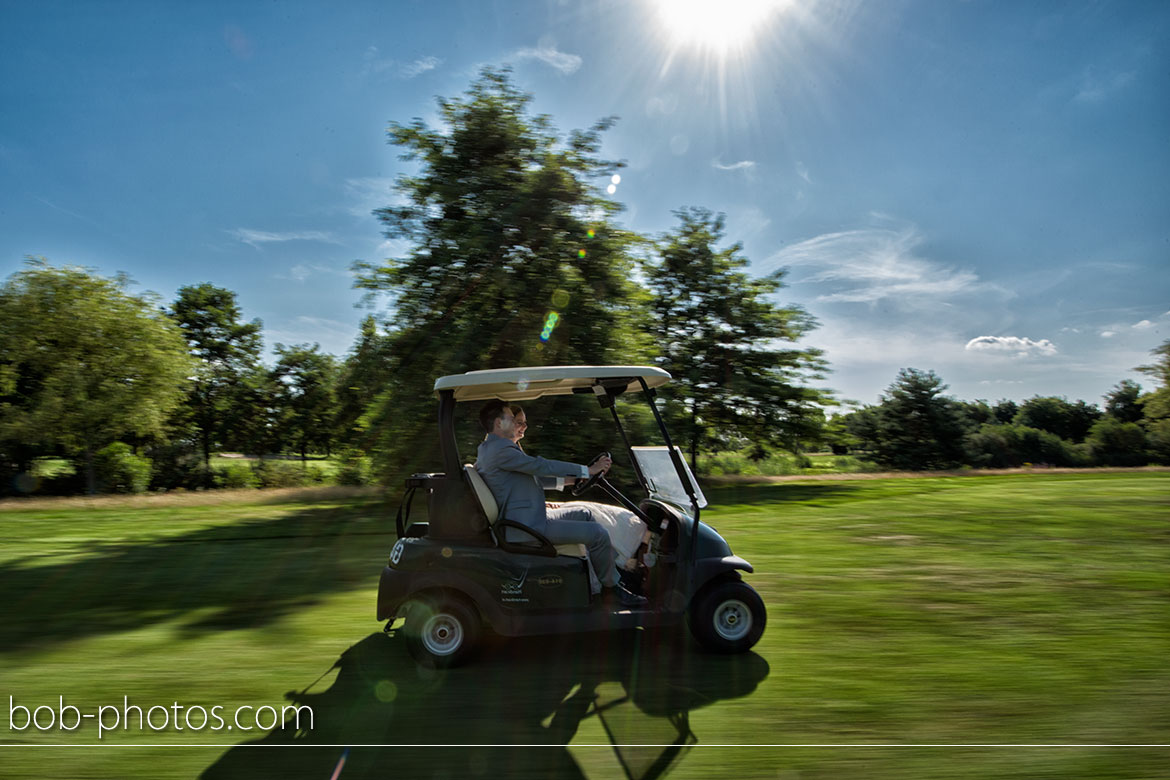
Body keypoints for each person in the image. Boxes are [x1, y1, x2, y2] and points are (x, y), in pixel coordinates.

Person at [475, 399, 647, 608]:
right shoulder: (501, 449)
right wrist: (587, 470)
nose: (517, 424)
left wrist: (573, 479)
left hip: (528, 519)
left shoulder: (490, 449)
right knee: (598, 534)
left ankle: (606, 577)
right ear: (499, 423)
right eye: (512, 419)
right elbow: (540, 465)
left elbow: (532, 478)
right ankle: (612, 590)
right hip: (526, 528)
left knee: (584, 513)